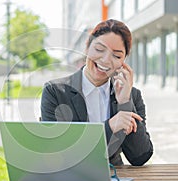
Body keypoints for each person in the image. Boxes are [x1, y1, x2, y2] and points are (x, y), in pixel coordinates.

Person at [40, 19, 153, 166]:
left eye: (117, 56)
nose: (106, 60)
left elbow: (140, 157)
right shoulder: (55, 91)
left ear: (123, 62)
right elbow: (57, 152)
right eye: (99, 50)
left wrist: (125, 103)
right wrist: (109, 127)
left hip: (115, 180)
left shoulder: (132, 96)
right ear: (87, 48)